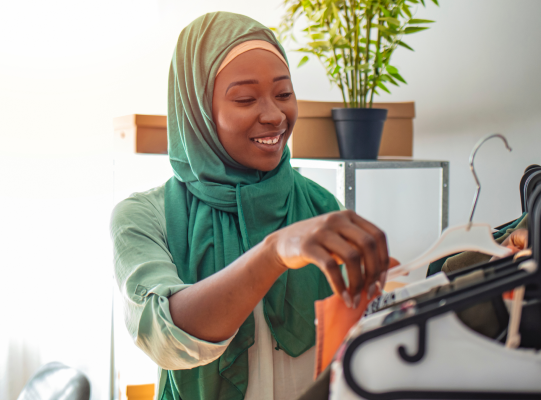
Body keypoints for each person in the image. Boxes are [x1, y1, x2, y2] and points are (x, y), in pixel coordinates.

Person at [110, 12, 391, 400]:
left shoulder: (318, 206)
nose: (275, 116)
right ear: (199, 110)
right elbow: (165, 335)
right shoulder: (144, 217)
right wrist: (274, 251)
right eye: (245, 98)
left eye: (284, 94)